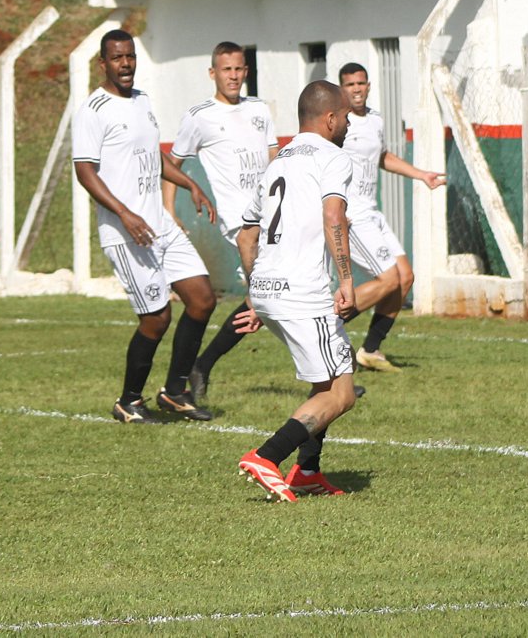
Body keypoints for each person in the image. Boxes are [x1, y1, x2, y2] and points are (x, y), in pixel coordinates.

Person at [72, 29, 226, 424]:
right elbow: (85, 173)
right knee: (156, 318)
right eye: (118, 58)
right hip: (126, 232)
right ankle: (129, 401)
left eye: (131, 57)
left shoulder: (142, 101)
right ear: (103, 63)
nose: (126, 65)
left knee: (202, 299)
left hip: (159, 223)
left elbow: (150, 156)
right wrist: (125, 213)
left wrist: (189, 183)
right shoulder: (94, 110)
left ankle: (175, 392)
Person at [236, 80, 361, 501]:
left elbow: (245, 236)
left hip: (270, 288)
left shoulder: (276, 162)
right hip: (303, 291)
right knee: (341, 394)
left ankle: (307, 471)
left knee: (327, 377)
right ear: (329, 118)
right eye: (344, 116)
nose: (347, 124)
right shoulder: (333, 157)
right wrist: (345, 278)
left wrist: (256, 293)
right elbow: (333, 215)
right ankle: (266, 457)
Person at [159, 42, 277, 403]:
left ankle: (202, 365)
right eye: (226, 70)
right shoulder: (199, 116)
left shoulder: (259, 109)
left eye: (239, 69)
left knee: (270, 295)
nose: (234, 76)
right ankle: (336, 367)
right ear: (213, 73)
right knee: (274, 293)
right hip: (240, 224)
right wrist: (170, 212)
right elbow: (171, 165)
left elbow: (275, 158)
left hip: (272, 213)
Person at [336, 63, 445, 373]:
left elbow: (382, 156)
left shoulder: (376, 119)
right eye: (349, 84)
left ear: (368, 85)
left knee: (405, 278)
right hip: (352, 215)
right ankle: (327, 327)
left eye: (360, 83)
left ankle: (370, 350)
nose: (356, 88)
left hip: (372, 210)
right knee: (388, 279)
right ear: (341, 89)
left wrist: (421, 174)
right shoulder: (336, 124)